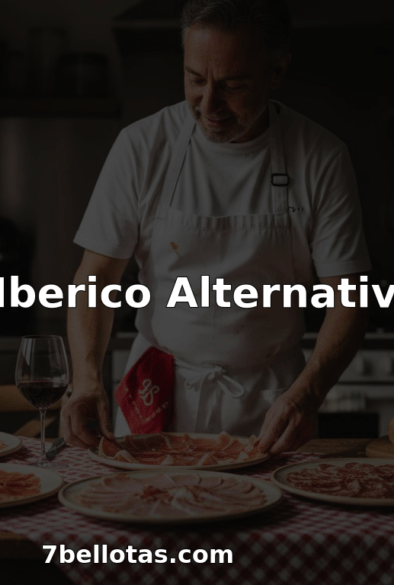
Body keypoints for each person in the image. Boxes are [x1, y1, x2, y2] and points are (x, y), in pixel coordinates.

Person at [61, 0, 370, 454]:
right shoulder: (142, 146)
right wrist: (84, 380)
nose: (208, 105)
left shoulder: (321, 157)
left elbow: (351, 297)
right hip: (157, 396)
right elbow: (97, 277)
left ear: (277, 72)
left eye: (232, 85)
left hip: (271, 406)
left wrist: (308, 393)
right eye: (195, 80)